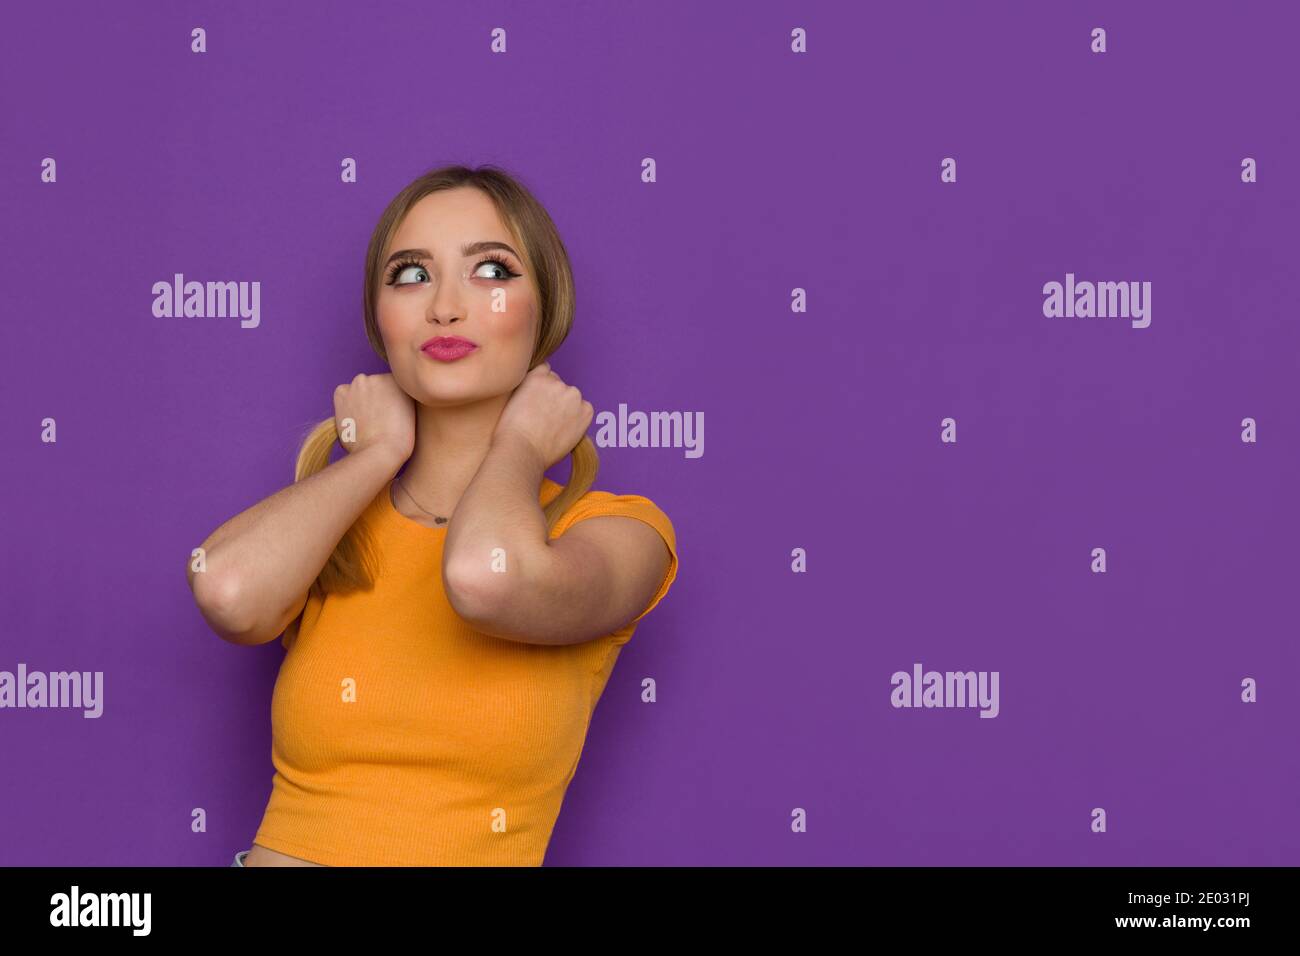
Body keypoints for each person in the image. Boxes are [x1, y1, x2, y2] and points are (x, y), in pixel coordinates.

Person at [189, 164, 679, 866]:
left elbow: (484, 578)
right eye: (411, 276)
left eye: (491, 271)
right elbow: (226, 592)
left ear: (547, 309)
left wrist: (519, 442)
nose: (445, 307)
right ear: (378, 319)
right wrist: (373, 456)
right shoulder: (335, 527)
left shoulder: (616, 531)